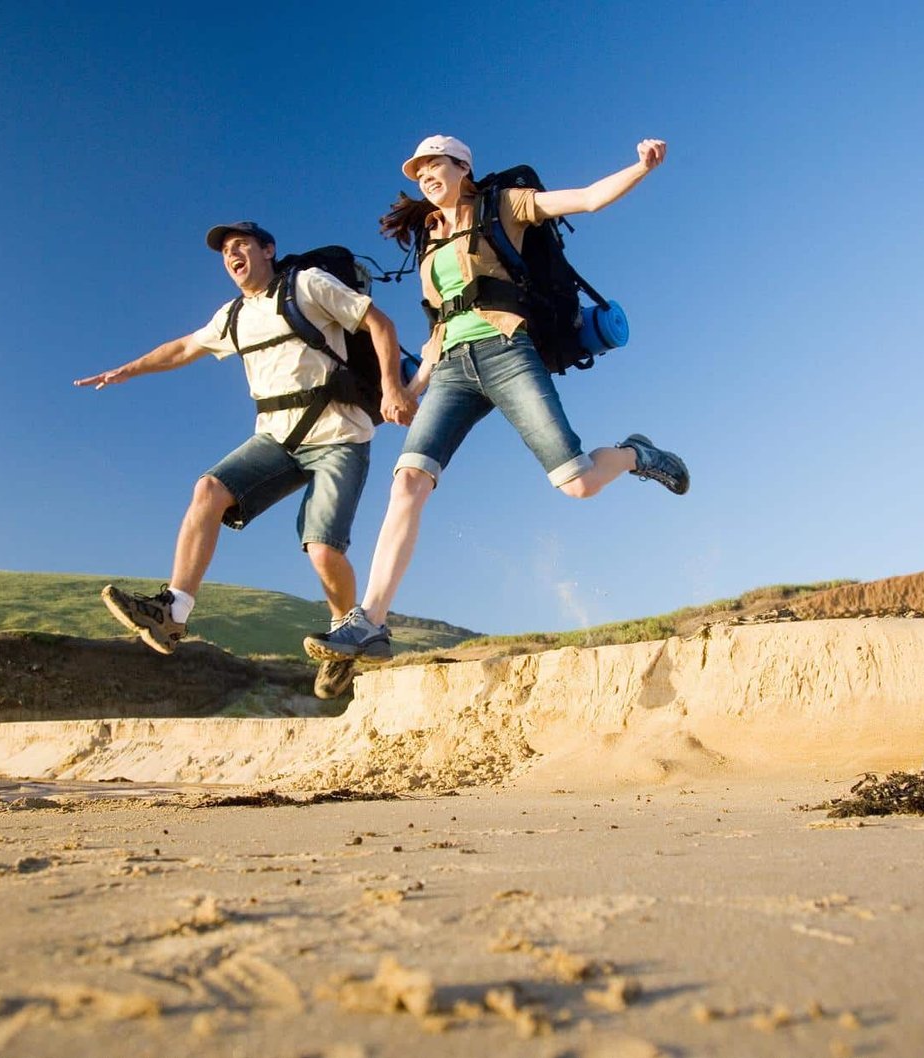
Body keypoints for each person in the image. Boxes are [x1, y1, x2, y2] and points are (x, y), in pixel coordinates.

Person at [303, 136, 688, 664]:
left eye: (434, 165)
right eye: (418, 171)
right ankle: (369, 623)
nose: (425, 176)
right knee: (409, 482)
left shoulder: (504, 205)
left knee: (577, 483)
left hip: (507, 351)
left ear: (463, 167)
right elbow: (439, 327)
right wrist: (411, 389)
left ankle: (635, 454)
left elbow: (587, 199)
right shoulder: (429, 238)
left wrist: (640, 167)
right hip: (451, 371)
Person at [75, 220, 416, 698]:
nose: (232, 255)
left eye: (241, 245)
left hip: (339, 436)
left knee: (322, 547)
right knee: (209, 490)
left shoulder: (306, 285)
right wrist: (126, 371)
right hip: (275, 441)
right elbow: (183, 348)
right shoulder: (232, 316)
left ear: (267, 250)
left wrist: (392, 388)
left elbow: (379, 323)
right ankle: (173, 612)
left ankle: (347, 634)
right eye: (225, 252)